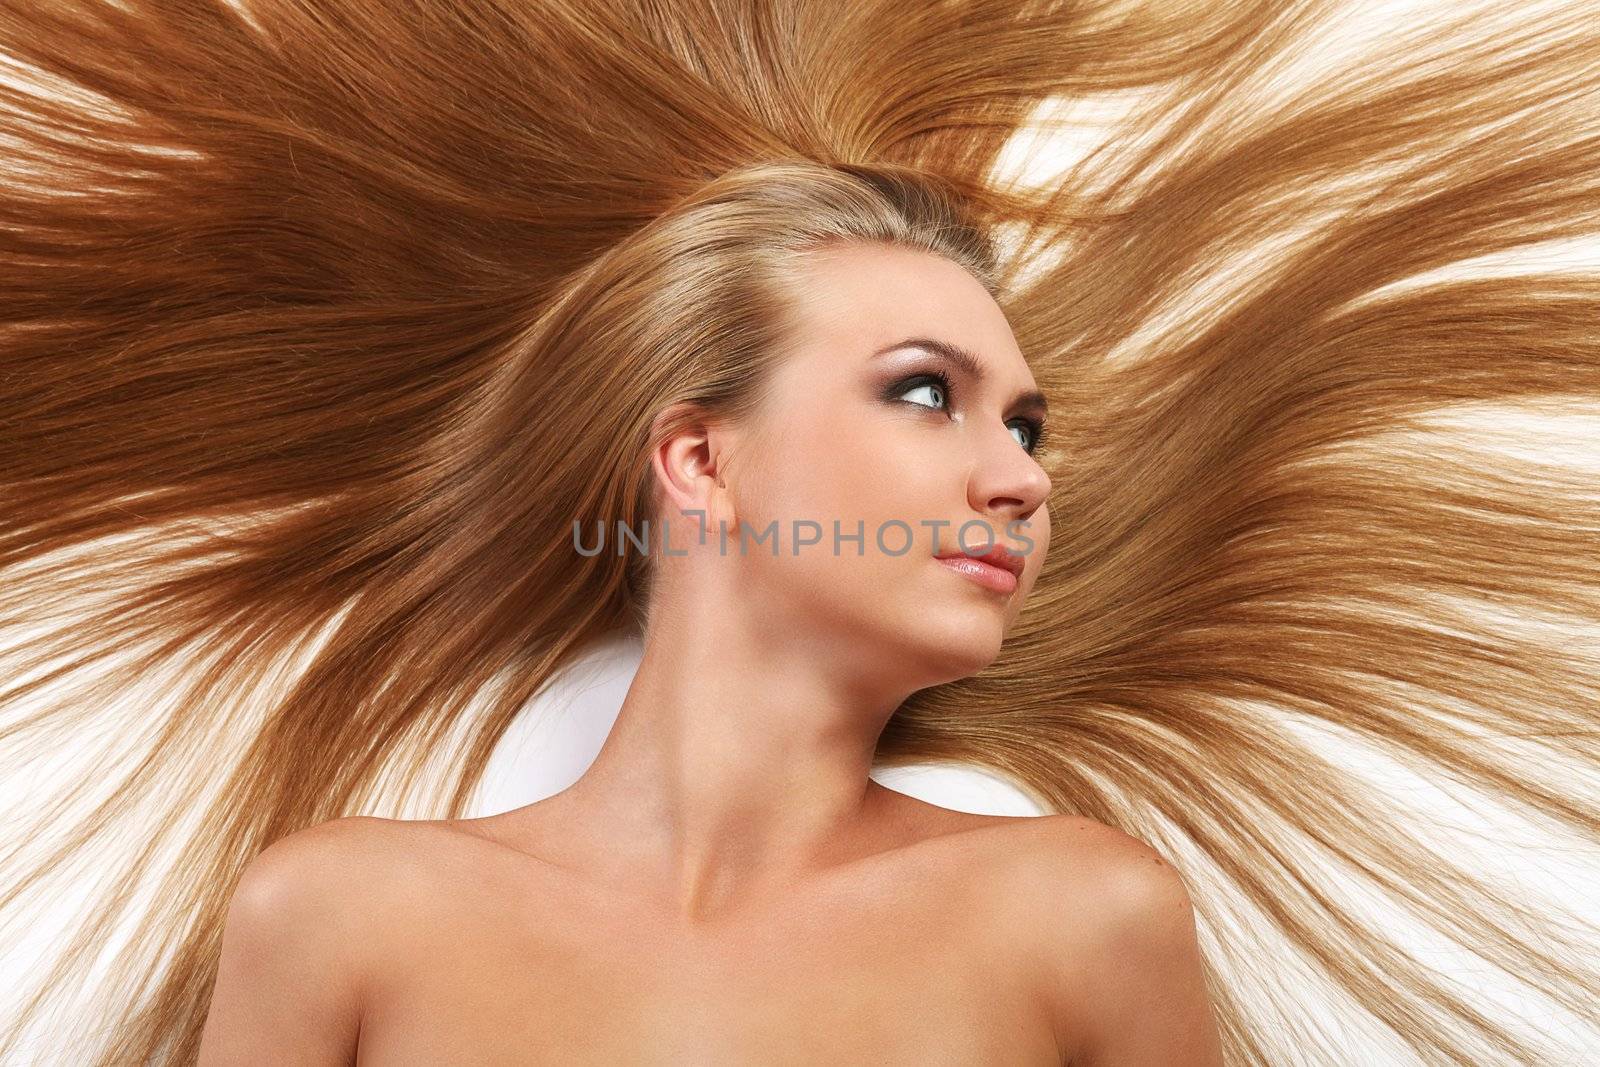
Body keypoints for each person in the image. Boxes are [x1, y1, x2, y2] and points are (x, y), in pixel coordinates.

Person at [1, 1, 1597, 1064]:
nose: (1024, 477)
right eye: (928, 395)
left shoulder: (1081, 917)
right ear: (700, 460)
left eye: (1028, 426)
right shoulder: (338, 915)